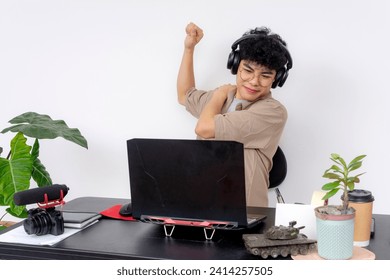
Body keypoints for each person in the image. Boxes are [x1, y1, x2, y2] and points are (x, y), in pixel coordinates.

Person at [177, 22, 292, 207]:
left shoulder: (272, 112)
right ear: (235, 65)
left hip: (244, 213)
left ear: (276, 79)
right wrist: (189, 49)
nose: (254, 81)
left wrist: (217, 97)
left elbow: (205, 128)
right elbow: (184, 95)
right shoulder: (223, 97)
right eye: (248, 70)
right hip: (202, 203)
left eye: (265, 75)